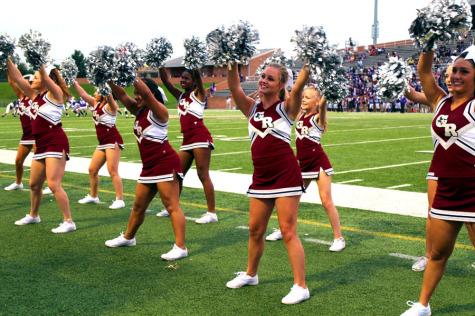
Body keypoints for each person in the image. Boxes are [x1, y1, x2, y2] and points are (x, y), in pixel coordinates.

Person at [224, 62, 310, 304]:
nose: (263, 81)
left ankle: (301, 286)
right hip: (261, 177)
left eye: (270, 79)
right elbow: (233, 86)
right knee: (255, 230)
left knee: (288, 231)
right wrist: (231, 61)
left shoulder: (286, 108)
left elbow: (300, 85)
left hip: (285, 175)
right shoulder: (251, 109)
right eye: (262, 76)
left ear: (281, 85)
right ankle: (251, 274)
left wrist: (308, 65)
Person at [401, 47, 475, 315]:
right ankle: (422, 305)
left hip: (473, 190)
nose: (455, 75)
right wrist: (430, 39)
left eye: (463, 71)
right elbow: (423, 72)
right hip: (446, 190)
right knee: (437, 254)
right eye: (453, 70)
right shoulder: (440, 102)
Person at [105, 78, 188, 261]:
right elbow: (121, 94)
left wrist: (133, 75)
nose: (136, 97)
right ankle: (128, 237)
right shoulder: (139, 109)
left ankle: (180, 247)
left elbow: (148, 94)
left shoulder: (160, 112)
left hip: (165, 163)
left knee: (172, 205)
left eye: (139, 94)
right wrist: (109, 78)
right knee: (138, 206)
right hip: (149, 166)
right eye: (136, 95)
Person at [265, 86, 346, 252]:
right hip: (302, 164)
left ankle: (339, 238)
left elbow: (323, 106)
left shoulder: (318, 118)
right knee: (290, 198)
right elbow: (290, 98)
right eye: (303, 97)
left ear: (316, 102)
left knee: (326, 200)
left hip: (319, 163)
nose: (303, 100)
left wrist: (328, 89)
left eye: (307, 98)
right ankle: (283, 229)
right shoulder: (300, 115)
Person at [7, 58, 76, 233]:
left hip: (55, 142)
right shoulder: (34, 97)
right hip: (41, 144)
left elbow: (45, 77)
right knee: (34, 184)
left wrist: (38, 60)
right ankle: (34, 215)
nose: (32, 81)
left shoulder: (56, 95)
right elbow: (17, 78)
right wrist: (6, 57)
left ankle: (68, 221)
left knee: (53, 184)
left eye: (36, 78)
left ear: (46, 79)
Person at [158, 67, 217, 224]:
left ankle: (211, 213)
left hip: (200, 137)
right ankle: (173, 206)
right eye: (182, 78)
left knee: (202, 174)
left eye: (186, 78)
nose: (183, 81)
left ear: (194, 80)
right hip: (187, 140)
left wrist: (194, 64)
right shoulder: (181, 95)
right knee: (177, 174)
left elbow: (198, 78)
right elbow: (165, 81)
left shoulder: (199, 93)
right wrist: (159, 64)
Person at [72, 81, 125, 209]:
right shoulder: (95, 104)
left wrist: (106, 86)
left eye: (96, 91)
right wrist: (74, 82)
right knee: (92, 169)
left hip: (112, 141)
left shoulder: (110, 107)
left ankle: (120, 199)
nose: (94, 93)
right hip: (102, 142)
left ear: (103, 94)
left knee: (112, 170)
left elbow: (111, 99)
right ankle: (93, 196)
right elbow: (83, 94)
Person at [3, 74, 35, 191]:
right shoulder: (22, 96)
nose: (29, 84)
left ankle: (49, 185)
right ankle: (18, 182)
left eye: (31, 83)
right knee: (18, 161)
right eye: (29, 83)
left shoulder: (36, 97)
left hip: (37, 135)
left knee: (40, 162)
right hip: (26, 135)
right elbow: (12, 82)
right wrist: (8, 63)